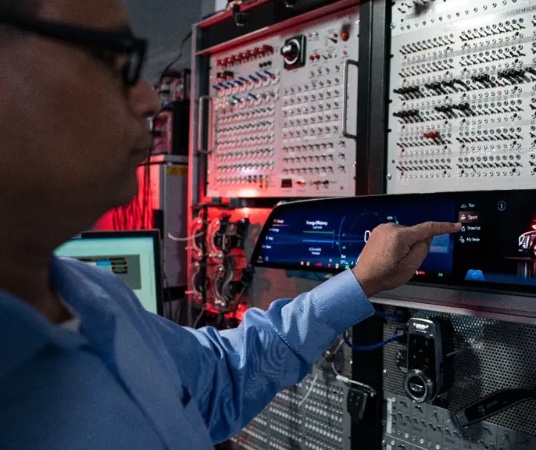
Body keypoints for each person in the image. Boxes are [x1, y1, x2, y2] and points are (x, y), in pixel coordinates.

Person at [0, 0, 461, 448]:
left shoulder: (96, 297)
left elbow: (221, 378)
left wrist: (360, 281)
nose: (149, 99)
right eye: (114, 58)